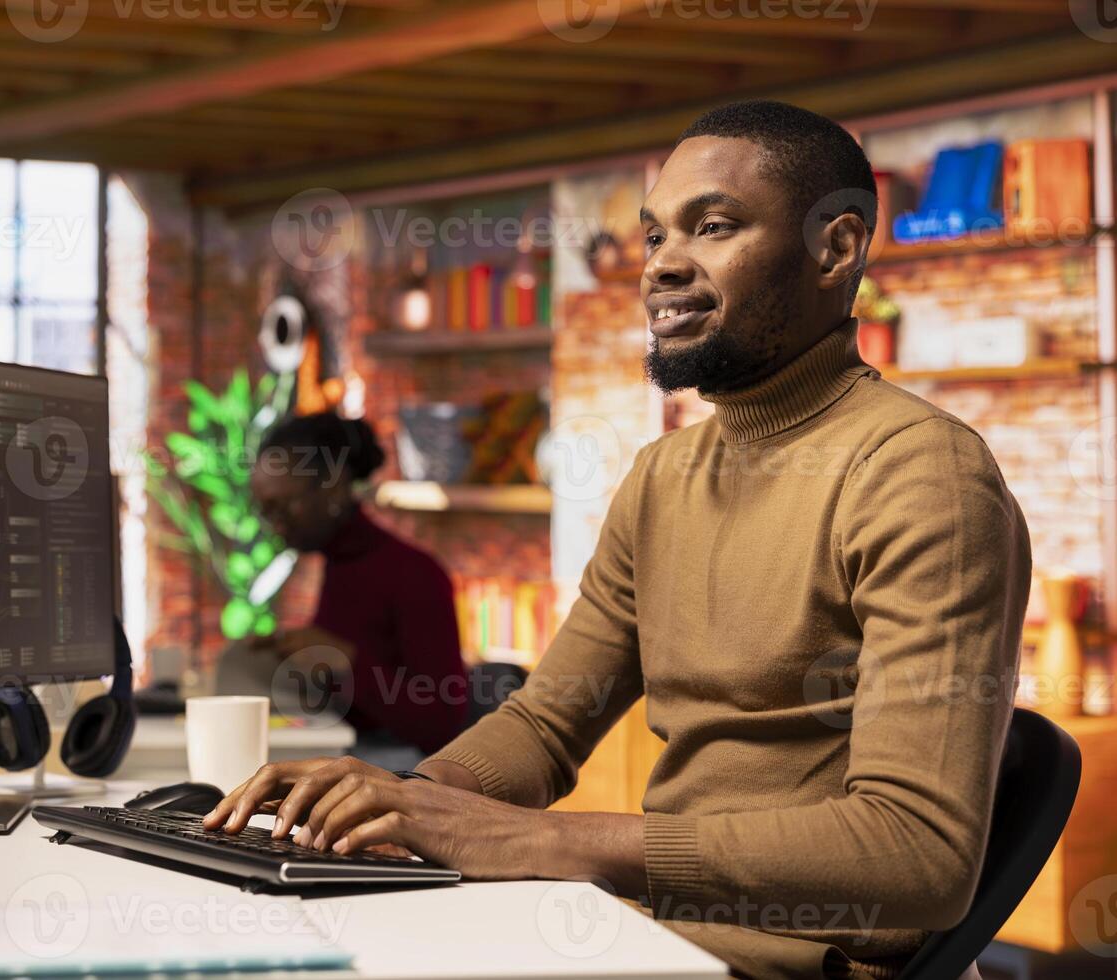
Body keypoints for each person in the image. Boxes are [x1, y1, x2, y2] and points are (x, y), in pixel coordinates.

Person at [209, 101, 1030, 980]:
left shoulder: (921, 477)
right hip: (648, 938)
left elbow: (916, 858)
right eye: (654, 236)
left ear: (834, 249)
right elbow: (544, 724)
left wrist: (541, 840)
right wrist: (399, 805)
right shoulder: (662, 477)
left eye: (713, 227)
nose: (664, 266)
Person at [249, 412, 468, 768]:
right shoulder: (338, 562)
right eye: (265, 510)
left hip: (399, 779)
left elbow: (441, 723)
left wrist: (346, 660)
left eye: (283, 505)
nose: (275, 523)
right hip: (350, 763)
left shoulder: (414, 574)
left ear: (333, 486)